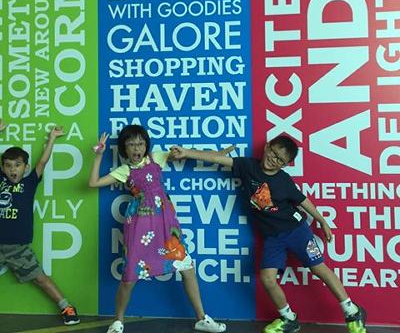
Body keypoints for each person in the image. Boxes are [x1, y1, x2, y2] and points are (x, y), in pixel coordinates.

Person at [171, 135, 367, 333]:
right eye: (273, 153)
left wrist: (322, 221)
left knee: (319, 268)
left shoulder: (284, 180)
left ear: (285, 165)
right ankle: (289, 319)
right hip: (273, 238)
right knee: (267, 279)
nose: (274, 159)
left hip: (297, 231)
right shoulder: (248, 166)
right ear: (267, 147)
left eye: (280, 160)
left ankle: (352, 311)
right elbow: (216, 158)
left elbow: (303, 201)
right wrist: (186, 153)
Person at [89, 124, 229, 333]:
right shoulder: (125, 170)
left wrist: (217, 154)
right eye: (131, 144)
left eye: (140, 143)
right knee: (130, 276)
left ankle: (201, 319)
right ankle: (117, 322)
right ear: (124, 148)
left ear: (146, 145)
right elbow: (93, 182)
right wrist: (98, 155)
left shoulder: (156, 158)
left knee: (187, 268)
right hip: (139, 226)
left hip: (165, 224)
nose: (136, 148)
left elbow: (186, 154)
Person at [0, 119, 80, 326]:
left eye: (17, 165)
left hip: (18, 247)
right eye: (8, 166)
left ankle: (67, 307)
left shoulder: (29, 182)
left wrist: (52, 138)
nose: (12, 169)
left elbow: (43, 162)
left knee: (39, 278)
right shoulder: (1, 180)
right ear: (3, 168)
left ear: (26, 167)